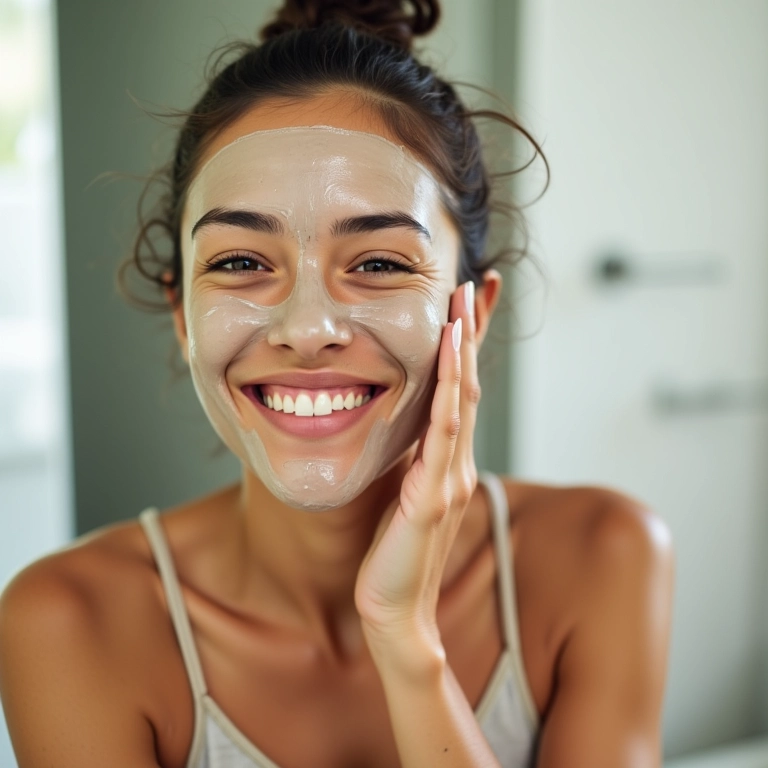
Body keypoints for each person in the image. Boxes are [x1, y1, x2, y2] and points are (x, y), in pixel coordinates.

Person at [0, 1, 675, 766]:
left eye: (380, 264)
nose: (307, 326)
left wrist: (405, 638)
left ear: (473, 314)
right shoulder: (69, 622)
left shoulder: (602, 558)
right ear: (183, 315)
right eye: (241, 263)